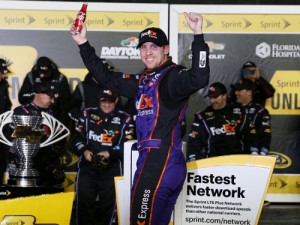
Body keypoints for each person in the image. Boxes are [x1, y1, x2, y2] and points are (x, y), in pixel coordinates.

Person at [71, 12, 210, 225]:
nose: (147, 52)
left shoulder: (172, 76)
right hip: (158, 161)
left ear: (166, 50)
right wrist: (82, 43)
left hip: (159, 162)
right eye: (143, 47)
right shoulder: (142, 80)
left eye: (154, 47)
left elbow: (199, 77)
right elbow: (106, 77)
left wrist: (198, 34)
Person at [72, 88, 135, 225]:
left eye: (110, 101)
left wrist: (109, 153)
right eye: (103, 101)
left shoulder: (126, 118)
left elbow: (129, 144)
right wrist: (85, 152)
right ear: (99, 99)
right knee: (84, 205)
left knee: (108, 206)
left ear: (117, 100)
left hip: (111, 169)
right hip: (87, 167)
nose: (107, 104)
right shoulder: (87, 114)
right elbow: (76, 138)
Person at [10, 82, 66, 187]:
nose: (53, 101)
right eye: (50, 97)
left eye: (54, 98)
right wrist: (44, 133)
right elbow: (19, 136)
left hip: (46, 163)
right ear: (39, 94)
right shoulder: (22, 111)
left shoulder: (49, 111)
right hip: (27, 165)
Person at [187, 82, 251, 160]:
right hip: (212, 164)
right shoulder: (202, 117)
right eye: (210, 97)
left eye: (215, 97)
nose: (212, 101)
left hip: (238, 162)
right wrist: (193, 159)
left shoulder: (240, 112)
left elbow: (250, 136)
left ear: (224, 96)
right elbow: (193, 142)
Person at [18, 56, 72, 127]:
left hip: (56, 115)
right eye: (41, 73)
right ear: (37, 69)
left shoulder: (59, 77)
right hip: (34, 115)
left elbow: (67, 100)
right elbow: (22, 97)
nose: (43, 75)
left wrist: (54, 96)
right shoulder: (31, 76)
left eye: (46, 73)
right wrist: (37, 95)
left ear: (51, 68)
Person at [233, 78, 271, 155]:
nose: (236, 93)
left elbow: (265, 134)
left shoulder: (260, 111)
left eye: (239, 90)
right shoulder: (231, 109)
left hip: (252, 155)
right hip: (232, 155)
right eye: (236, 90)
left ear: (249, 92)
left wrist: (262, 153)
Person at [0, 58, 13, 185]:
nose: (4, 75)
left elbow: (7, 109)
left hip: (1, 133)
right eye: (1, 72)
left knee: (2, 163)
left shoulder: (4, 86)